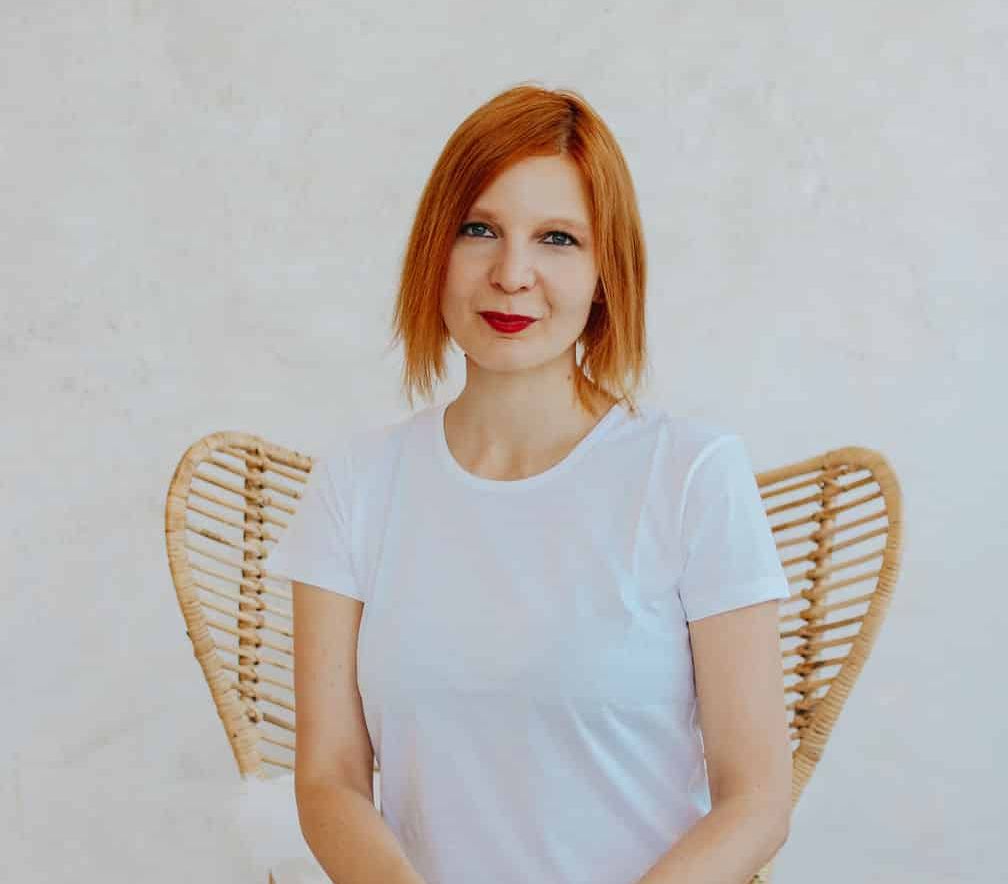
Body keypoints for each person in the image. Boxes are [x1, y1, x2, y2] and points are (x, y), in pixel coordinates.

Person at [262, 83, 793, 884]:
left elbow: (757, 800)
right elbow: (329, 778)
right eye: (479, 230)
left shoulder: (692, 475)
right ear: (434, 251)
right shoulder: (356, 485)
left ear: (607, 273)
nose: (513, 274)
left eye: (557, 239)